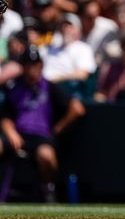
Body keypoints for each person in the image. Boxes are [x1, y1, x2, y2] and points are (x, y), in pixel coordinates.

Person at [0, 46, 85, 202]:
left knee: (46, 155)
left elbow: (77, 109)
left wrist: (58, 128)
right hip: (18, 135)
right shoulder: (14, 87)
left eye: (35, 65)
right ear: (23, 67)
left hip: (41, 136)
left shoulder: (49, 87)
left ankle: (48, 190)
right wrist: (11, 133)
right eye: (28, 65)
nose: (32, 69)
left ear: (41, 65)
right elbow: (5, 117)